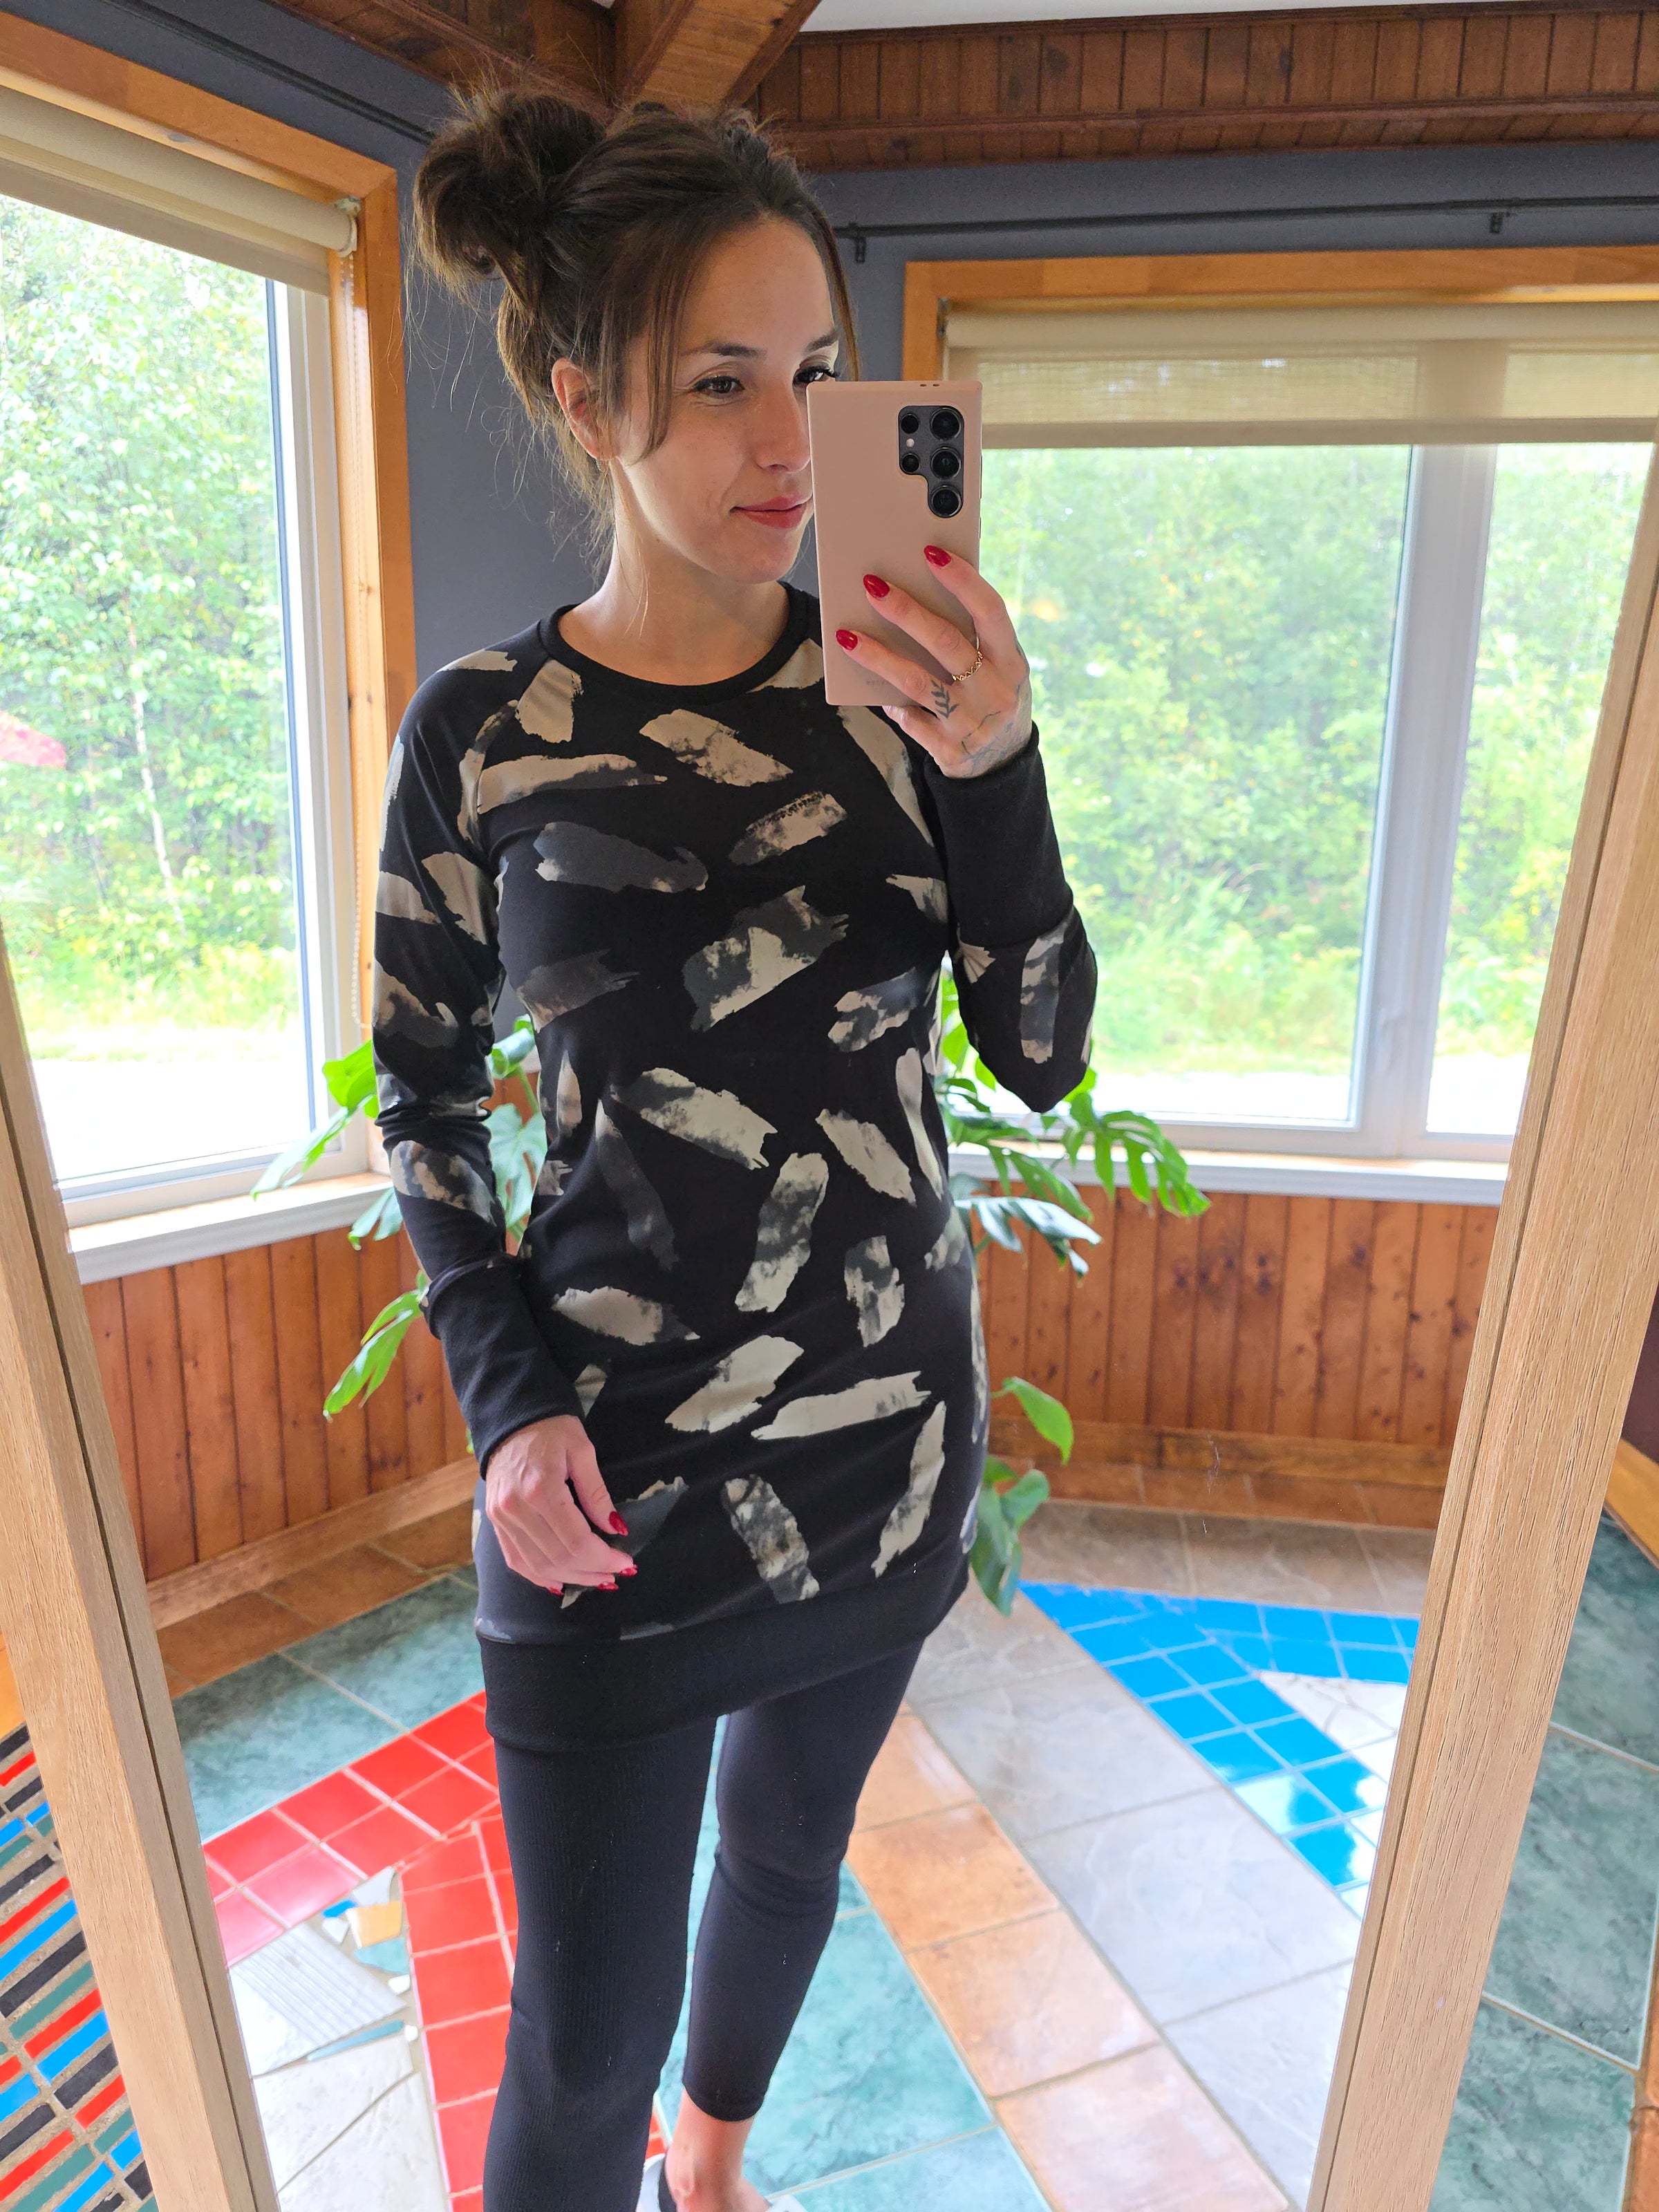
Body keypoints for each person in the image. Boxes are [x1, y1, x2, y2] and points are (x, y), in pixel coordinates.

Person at [374, 82, 1098, 2212]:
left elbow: (1040, 1053)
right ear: (590, 403)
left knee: (787, 1860)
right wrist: (505, 1406)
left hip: (882, 1452)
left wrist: (1002, 767)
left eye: (817, 374)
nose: (791, 444)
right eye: (718, 384)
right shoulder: (482, 737)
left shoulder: (909, 696)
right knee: (575, 2040)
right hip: (604, 1490)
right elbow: (423, 1092)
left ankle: (716, 2167)